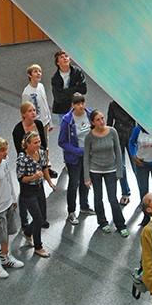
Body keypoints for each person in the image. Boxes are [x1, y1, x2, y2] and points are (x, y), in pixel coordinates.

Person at [0, 137, 24, 278]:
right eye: (2, 150)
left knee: (5, 232)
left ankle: (5, 257)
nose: (6, 152)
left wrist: (13, 198)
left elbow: (9, 181)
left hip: (8, 205)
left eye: (6, 149)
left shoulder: (5, 162)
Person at [83, 110, 128, 237]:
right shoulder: (89, 137)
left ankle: (121, 225)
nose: (101, 121)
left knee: (113, 198)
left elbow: (118, 152)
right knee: (98, 198)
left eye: (102, 118)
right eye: (98, 119)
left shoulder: (112, 131)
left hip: (111, 170)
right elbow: (86, 157)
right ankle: (102, 222)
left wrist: (119, 171)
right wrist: (87, 177)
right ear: (92, 122)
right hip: (95, 170)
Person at [16, 131, 55, 258]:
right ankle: (38, 247)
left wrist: (49, 182)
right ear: (27, 144)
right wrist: (33, 177)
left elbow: (44, 168)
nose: (38, 145)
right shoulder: (23, 159)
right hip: (28, 191)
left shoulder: (41, 153)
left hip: (39, 188)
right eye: (35, 143)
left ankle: (28, 231)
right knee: (38, 219)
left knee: (42, 216)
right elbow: (20, 178)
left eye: (39, 142)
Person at [58, 93, 95, 225]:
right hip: (74, 158)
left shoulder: (90, 115)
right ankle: (71, 211)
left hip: (88, 156)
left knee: (85, 181)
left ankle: (84, 206)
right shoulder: (67, 121)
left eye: (82, 103)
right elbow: (62, 142)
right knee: (73, 184)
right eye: (78, 104)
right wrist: (77, 151)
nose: (81, 106)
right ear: (73, 105)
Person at [22, 65, 57, 178]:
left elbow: (45, 104)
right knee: (36, 145)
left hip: (44, 121)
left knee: (45, 144)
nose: (38, 74)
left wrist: (50, 121)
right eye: (35, 72)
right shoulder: (27, 92)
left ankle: (47, 165)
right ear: (30, 75)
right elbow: (24, 110)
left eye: (40, 71)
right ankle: (36, 167)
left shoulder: (41, 86)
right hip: (35, 124)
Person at [106, 99, 135, 206]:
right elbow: (109, 122)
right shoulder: (113, 104)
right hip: (118, 135)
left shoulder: (132, 103)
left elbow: (137, 120)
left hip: (131, 135)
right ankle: (125, 192)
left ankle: (144, 193)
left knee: (136, 165)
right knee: (120, 166)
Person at [51, 50, 87, 125]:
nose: (65, 58)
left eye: (66, 56)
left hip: (77, 106)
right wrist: (75, 89)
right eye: (61, 57)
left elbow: (83, 89)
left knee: (79, 129)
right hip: (62, 109)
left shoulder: (77, 72)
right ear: (58, 63)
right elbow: (58, 98)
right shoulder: (55, 78)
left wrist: (65, 91)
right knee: (66, 130)